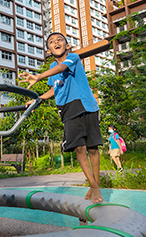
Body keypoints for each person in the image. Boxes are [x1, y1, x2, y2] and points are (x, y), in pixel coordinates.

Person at [20, 32, 104, 203]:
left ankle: (96, 185)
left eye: (59, 40)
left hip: (86, 104)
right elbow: (54, 89)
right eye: (51, 42)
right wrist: (38, 99)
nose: (56, 42)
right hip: (68, 108)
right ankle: (94, 186)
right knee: (79, 148)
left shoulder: (73, 57)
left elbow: (62, 68)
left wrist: (38, 76)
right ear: (49, 50)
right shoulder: (52, 68)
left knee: (93, 148)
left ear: (66, 45)